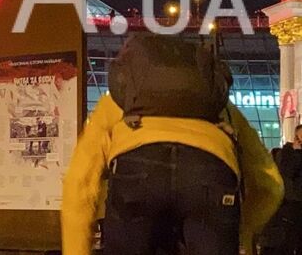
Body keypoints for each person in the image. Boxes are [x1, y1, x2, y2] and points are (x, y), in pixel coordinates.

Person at [61, 35, 284, 255]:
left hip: (137, 174)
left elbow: (81, 183)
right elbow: (270, 186)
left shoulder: (118, 102)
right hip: (210, 173)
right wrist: (244, 229)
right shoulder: (221, 109)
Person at [263, 125, 302, 255]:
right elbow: (286, 174)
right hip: (289, 210)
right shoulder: (286, 155)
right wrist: (296, 152)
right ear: (296, 139)